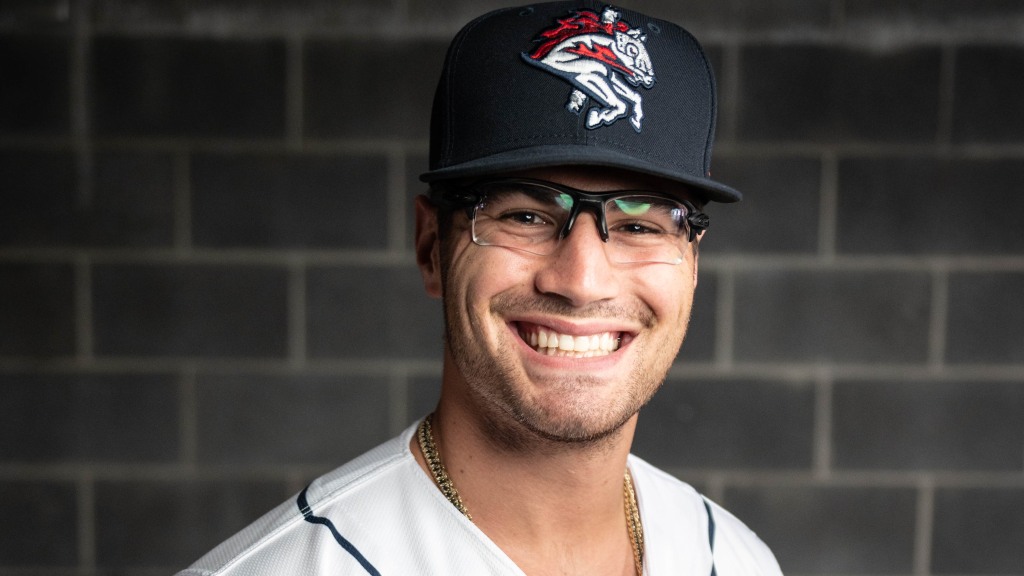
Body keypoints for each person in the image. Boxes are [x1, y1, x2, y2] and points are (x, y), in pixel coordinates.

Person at [177, 2, 783, 574]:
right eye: (526, 216)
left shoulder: (735, 558)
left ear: (693, 266)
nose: (581, 280)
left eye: (640, 224)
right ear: (431, 247)